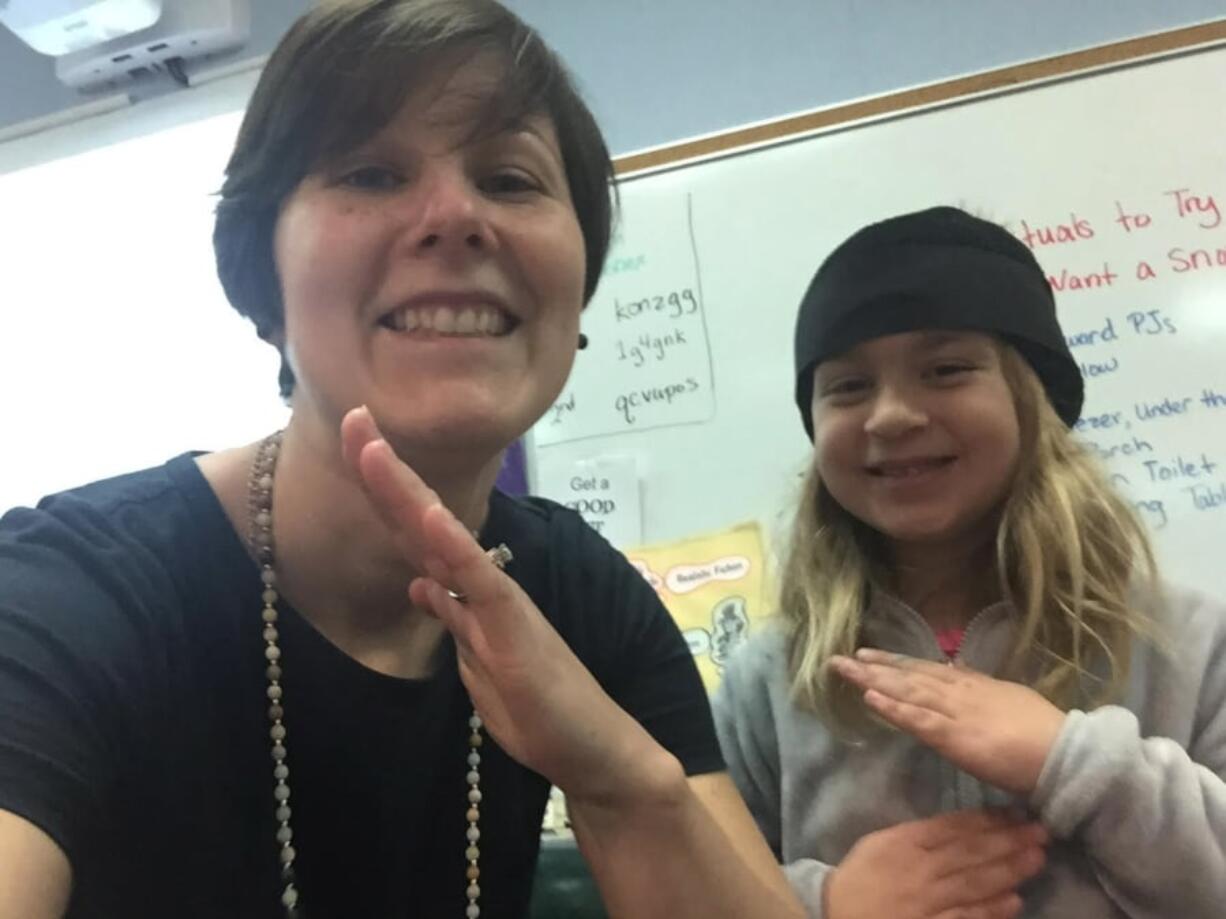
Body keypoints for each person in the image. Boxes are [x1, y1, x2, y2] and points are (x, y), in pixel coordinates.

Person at [0, 2, 804, 917]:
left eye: (510, 178)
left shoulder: (579, 594)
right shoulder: (68, 591)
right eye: (373, 173)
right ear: (262, 282)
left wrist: (622, 783)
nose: (457, 217)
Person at [712, 206, 1226, 919]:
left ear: (1031, 397)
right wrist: (823, 901)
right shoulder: (769, 678)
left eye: (946, 369)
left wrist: (1070, 759)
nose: (890, 414)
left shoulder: (1191, 641)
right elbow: (693, 885)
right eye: (848, 386)